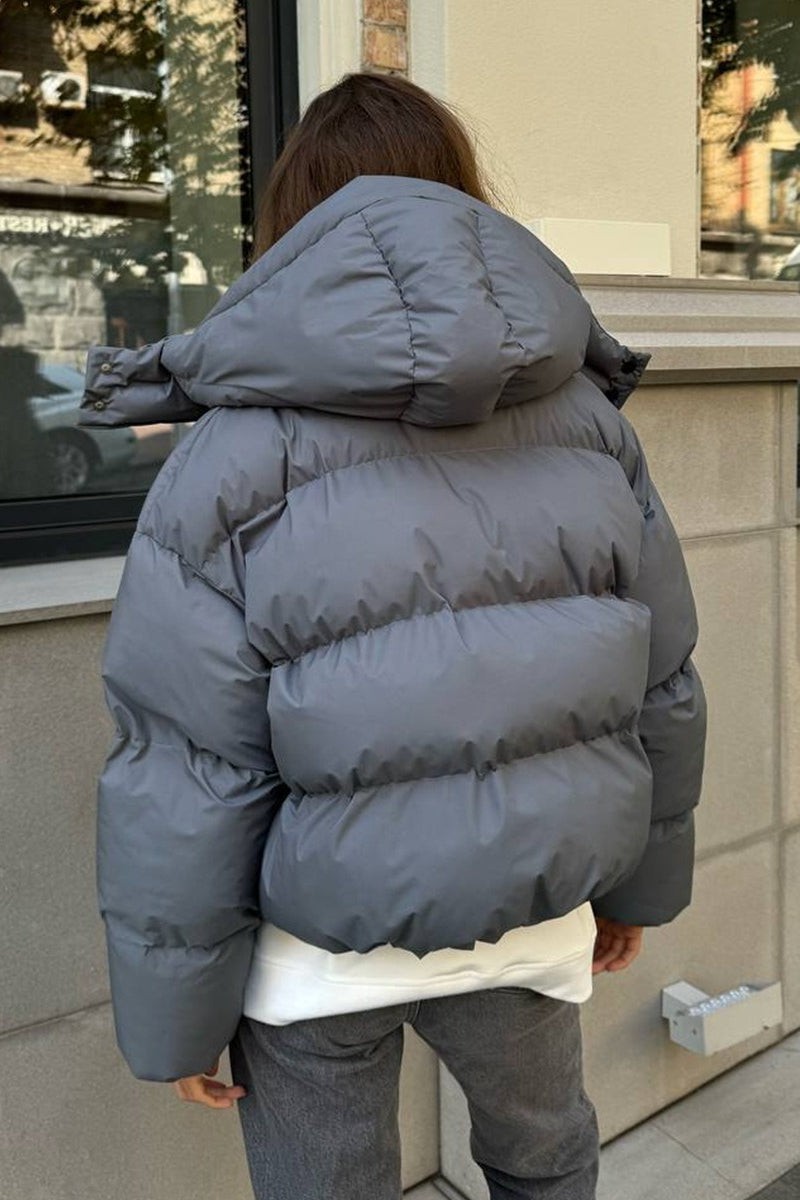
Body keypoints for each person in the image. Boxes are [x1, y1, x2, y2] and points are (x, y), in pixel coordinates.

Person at [79, 72, 707, 1200]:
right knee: (546, 1163)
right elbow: (660, 680)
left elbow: (188, 759)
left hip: (313, 954)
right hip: (526, 911)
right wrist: (638, 888)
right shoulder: (588, 423)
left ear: (292, 227)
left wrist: (178, 1014)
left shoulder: (231, 454)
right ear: (465, 202)